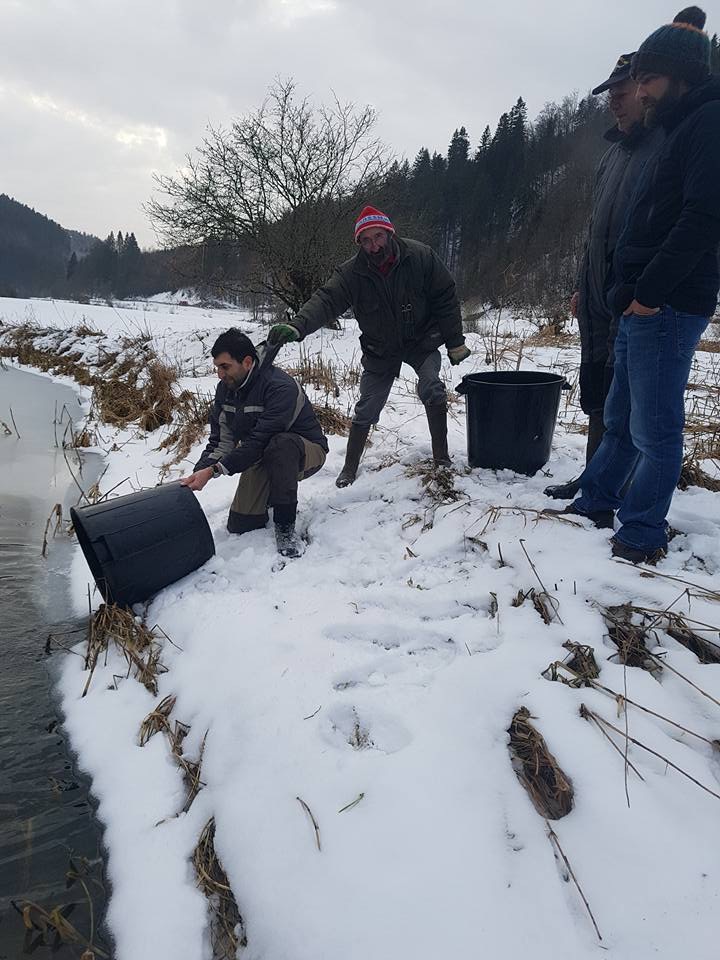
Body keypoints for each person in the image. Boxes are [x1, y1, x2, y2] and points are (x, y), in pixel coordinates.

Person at [563, 6, 720, 563]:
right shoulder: (676, 126)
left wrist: (649, 293)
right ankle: (597, 500)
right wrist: (628, 292)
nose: (641, 91)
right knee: (622, 420)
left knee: (655, 431)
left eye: (648, 79)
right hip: (640, 304)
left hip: (667, 305)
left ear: (680, 76)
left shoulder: (708, 122)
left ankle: (642, 532)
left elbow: (703, 219)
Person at [267, 206, 471, 487]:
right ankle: (349, 467)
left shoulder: (420, 257)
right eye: (366, 240)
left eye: (378, 237)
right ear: (359, 243)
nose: (374, 245)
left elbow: (445, 296)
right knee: (367, 406)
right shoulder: (352, 273)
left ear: (389, 233)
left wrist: (455, 341)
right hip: (380, 348)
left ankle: (442, 459)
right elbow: (326, 300)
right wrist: (298, 326)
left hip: (422, 341)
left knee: (432, 386)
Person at [545, 51, 664, 499]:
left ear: (644, 90)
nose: (613, 100)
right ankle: (593, 477)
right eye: (609, 93)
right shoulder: (611, 154)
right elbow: (594, 229)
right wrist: (580, 283)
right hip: (595, 291)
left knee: (623, 391)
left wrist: (649, 288)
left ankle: (620, 484)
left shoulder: (663, 146)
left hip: (632, 290)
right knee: (596, 384)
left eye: (621, 90)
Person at [181, 329, 328, 558]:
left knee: (281, 445)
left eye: (225, 367)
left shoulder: (280, 387)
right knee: (241, 524)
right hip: (260, 454)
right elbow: (221, 441)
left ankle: (285, 526)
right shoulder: (226, 390)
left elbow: (260, 440)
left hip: (305, 452)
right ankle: (269, 494)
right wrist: (201, 471)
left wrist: (215, 471)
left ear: (247, 362)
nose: (220, 374)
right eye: (217, 367)